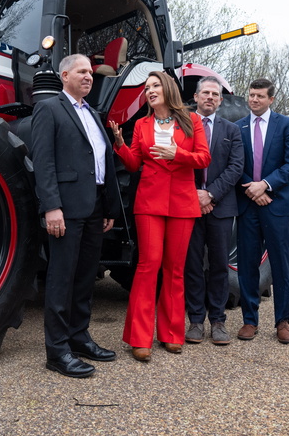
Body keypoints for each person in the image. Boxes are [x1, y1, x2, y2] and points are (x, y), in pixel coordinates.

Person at [108, 70, 210, 361]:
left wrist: (176, 155)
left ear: (167, 89)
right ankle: (140, 338)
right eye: (147, 87)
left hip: (181, 202)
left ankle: (171, 334)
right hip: (149, 203)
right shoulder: (141, 124)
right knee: (147, 266)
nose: (150, 91)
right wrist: (120, 144)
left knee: (175, 270)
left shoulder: (192, 121)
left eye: (155, 86)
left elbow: (204, 158)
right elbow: (133, 164)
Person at [31, 53, 120, 378]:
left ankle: (79, 337)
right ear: (64, 74)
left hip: (95, 208)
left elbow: (102, 162)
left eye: (91, 73)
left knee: (85, 276)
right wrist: (51, 206)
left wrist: (109, 207)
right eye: (81, 71)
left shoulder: (93, 114)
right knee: (61, 278)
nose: (88, 76)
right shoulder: (50, 108)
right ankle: (57, 351)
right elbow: (44, 161)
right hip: (65, 209)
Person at [234, 78, 289, 344]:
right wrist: (252, 189)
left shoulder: (287, 125)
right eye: (251, 95)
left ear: (271, 99)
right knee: (248, 264)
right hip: (247, 204)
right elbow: (234, 163)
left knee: (281, 265)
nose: (254, 100)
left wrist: (265, 186)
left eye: (260, 96)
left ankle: (283, 321)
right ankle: (250, 321)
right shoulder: (237, 127)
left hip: (278, 206)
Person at [184, 77, 244, 346]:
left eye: (215, 94)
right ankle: (196, 320)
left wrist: (209, 194)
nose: (210, 97)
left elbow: (235, 167)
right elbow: (178, 163)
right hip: (188, 205)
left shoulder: (231, 130)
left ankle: (218, 321)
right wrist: (195, 195)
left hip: (220, 206)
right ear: (195, 97)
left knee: (220, 265)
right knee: (192, 264)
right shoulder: (182, 126)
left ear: (221, 100)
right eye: (205, 93)